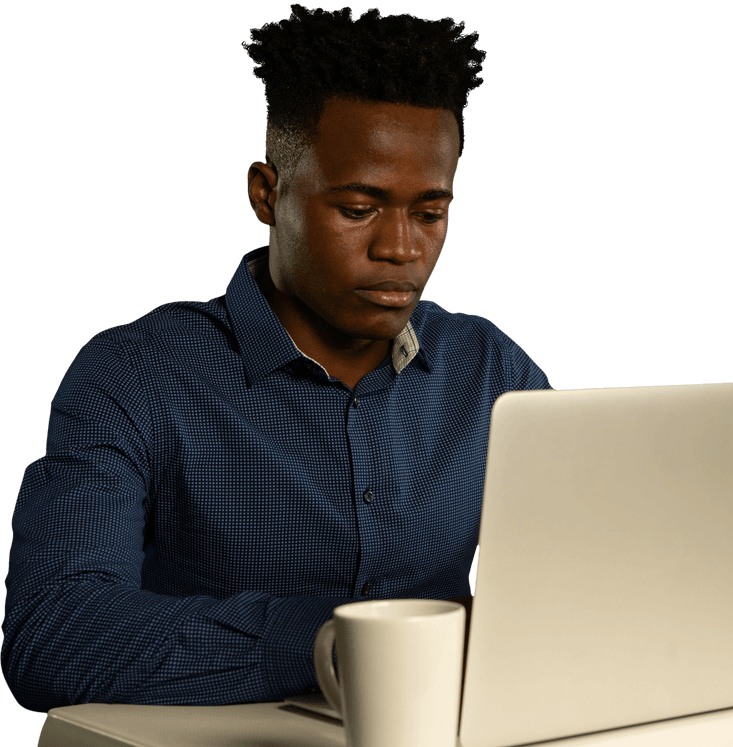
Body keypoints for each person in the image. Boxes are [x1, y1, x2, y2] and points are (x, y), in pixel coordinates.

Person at [1, 4, 550, 712]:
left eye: (430, 212)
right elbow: (53, 634)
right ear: (268, 192)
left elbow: (566, 595)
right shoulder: (132, 377)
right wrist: (333, 642)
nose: (401, 249)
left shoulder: (493, 375)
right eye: (358, 209)